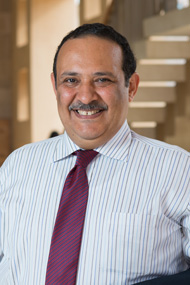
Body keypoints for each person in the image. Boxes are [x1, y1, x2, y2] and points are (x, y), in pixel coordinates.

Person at [0, 23, 190, 285]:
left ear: (131, 87)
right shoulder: (17, 166)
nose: (86, 96)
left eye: (102, 79)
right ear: (55, 85)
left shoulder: (179, 170)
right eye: (71, 80)